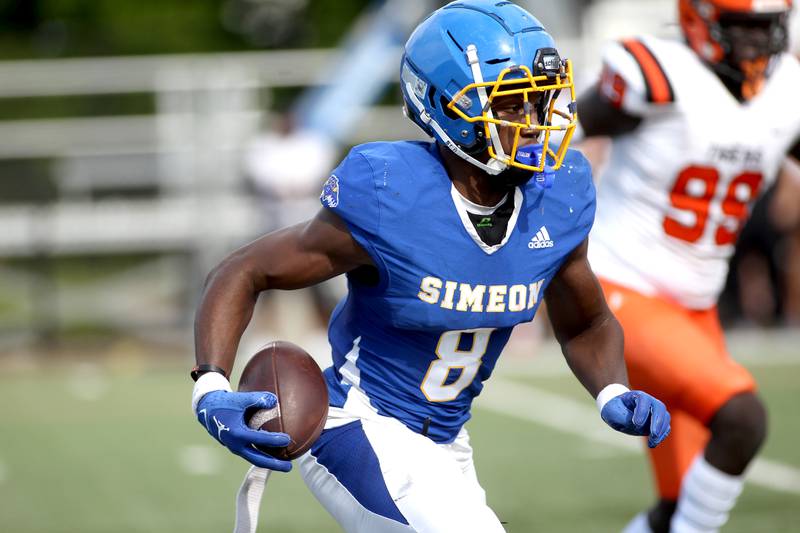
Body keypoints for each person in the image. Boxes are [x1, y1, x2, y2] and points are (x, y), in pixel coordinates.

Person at [190, 2, 671, 532]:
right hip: (358, 424)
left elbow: (586, 321)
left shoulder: (557, 199)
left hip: (447, 445)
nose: (533, 122)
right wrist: (210, 386)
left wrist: (613, 392)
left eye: (539, 100)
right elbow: (244, 270)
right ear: (444, 107)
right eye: (511, 104)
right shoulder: (390, 192)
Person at [576, 1, 800, 532]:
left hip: (695, 309)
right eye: (742, 26)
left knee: (681, 498)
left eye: (765, 27)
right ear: (701, 17)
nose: (755, 42)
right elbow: (560, 131)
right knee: (742, 418)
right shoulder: (658, 72)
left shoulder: (788, 89)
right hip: (622, 289)